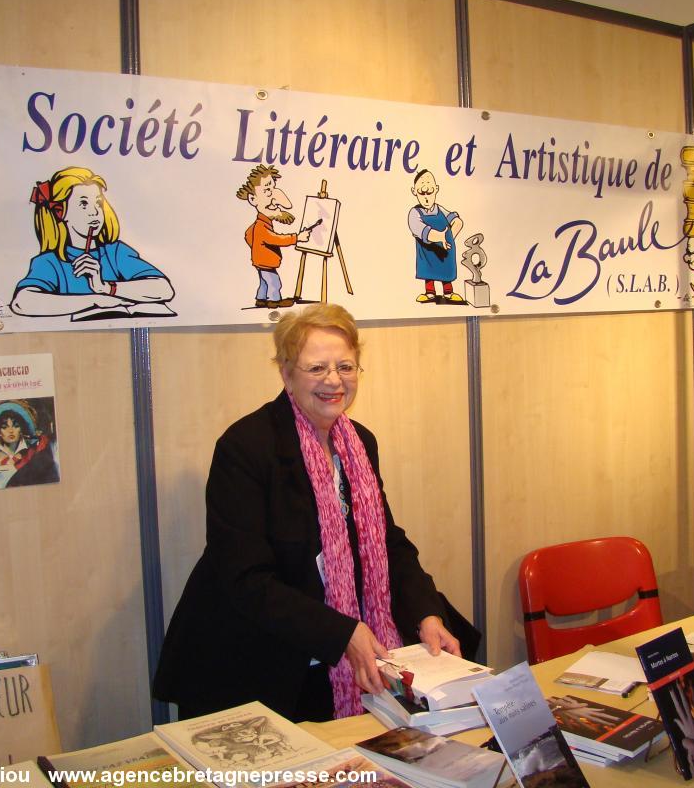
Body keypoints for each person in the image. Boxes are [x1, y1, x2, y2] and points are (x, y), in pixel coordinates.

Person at [154, 303, 468, 722]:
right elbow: (246, 580)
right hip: (253, 668)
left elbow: (386, 543)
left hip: (330, 663)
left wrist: (426, 613)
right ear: (286, 373)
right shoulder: (246, 447)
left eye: (346, 367)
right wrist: (342, 633)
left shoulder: (360, 443)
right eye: (316, 368)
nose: (333, 380)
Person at [11, 166, 174, 317]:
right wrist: (94, 300)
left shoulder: (115, 252)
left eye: (98, 203)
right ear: (61, 212)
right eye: (83, 204)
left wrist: (105, 287)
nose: (95, 212)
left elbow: (164, 289)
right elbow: (22, 303)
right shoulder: (50, 261)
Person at [236, 164, 311, 309]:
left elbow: (248, 235)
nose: (274, 197)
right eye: (267, 191)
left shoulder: (259, 224)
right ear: (253, 199)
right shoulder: (261, 227)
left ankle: (261, 299)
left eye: (273, 189)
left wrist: (257, 248)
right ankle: (274, 301)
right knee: (274, 282)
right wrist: (297, 238)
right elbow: (275, 239)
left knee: (264, 282)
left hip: (261, 261)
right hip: (265, 262)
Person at [407, 170, 466, 305]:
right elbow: (420, 229)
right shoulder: (414, 213)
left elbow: (457, 221)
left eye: (430, 192)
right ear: (414, 191)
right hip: (427, 249)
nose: (426, 197)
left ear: (436, 189)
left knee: (445, 269)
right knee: (428, 269)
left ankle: (448, 292)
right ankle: (430, 292)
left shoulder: (440, 209)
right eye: (422, 193)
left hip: (444, 250)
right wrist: (440, 236)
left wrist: (449, 237)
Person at [0, 404, 59, 488]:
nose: (11, 431)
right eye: (5, 427)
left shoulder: (31, 453)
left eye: (16, 426)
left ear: (21, 430)